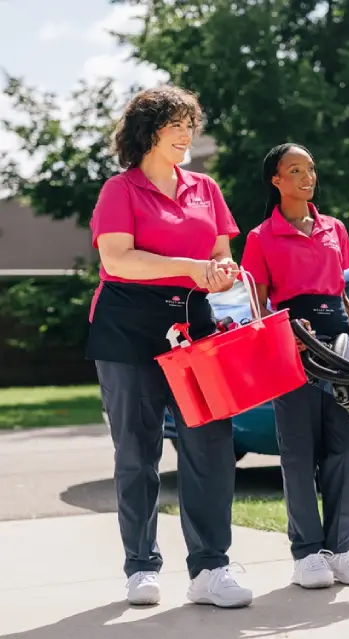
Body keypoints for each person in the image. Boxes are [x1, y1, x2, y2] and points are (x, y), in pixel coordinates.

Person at [85, 85, 252, 609]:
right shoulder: (121, 190)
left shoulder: (205, 188)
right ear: (148, 131)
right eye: (176, 124)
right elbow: (118, 261)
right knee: (137, 453)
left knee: (210, 448)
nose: (186, 134)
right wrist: (189, 267)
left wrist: (223, 272)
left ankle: (210, 569)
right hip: (127, 327)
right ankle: (141, 567)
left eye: (189, 124)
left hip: (194, 325)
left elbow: (220, 255)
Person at [240, 143, 349, 589]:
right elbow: (256, 305)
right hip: (293, 353)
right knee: (299, 455)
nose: (307, 177)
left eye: (311, 169)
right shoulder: (260, 238)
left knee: (346, 449)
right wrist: (285, 336)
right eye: (295, 170)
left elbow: (337, 294)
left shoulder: (334, 229)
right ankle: (307, 556)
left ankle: (340, 550)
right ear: (276, 180)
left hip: (342, 353)